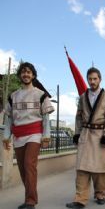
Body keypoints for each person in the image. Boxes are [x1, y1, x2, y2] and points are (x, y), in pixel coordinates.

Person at [2, 62, 54, 209]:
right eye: (23, 72)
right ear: (20, 75)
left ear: (33, 75)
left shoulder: (40, 94)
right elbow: (9, 119)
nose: (26, 74)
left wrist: (46, 137)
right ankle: (30, 197)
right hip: (18, 136)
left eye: (29, 72)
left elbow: (46, 119)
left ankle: (30, 201)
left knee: (29, 165)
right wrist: (6, 137)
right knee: (22, 168)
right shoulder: (13, 96)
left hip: (35, 135)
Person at [66, 67, 105, 208]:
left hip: (101, 136)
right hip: (86, 135)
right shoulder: (82, 97)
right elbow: (78, 117)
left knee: (101, 168)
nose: (92, 81)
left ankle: (100, 193)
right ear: (87, 79)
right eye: (90, 79)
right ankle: (80, 198)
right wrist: (77, 133)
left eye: (95, 79)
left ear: (99, 79)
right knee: (82, 167)